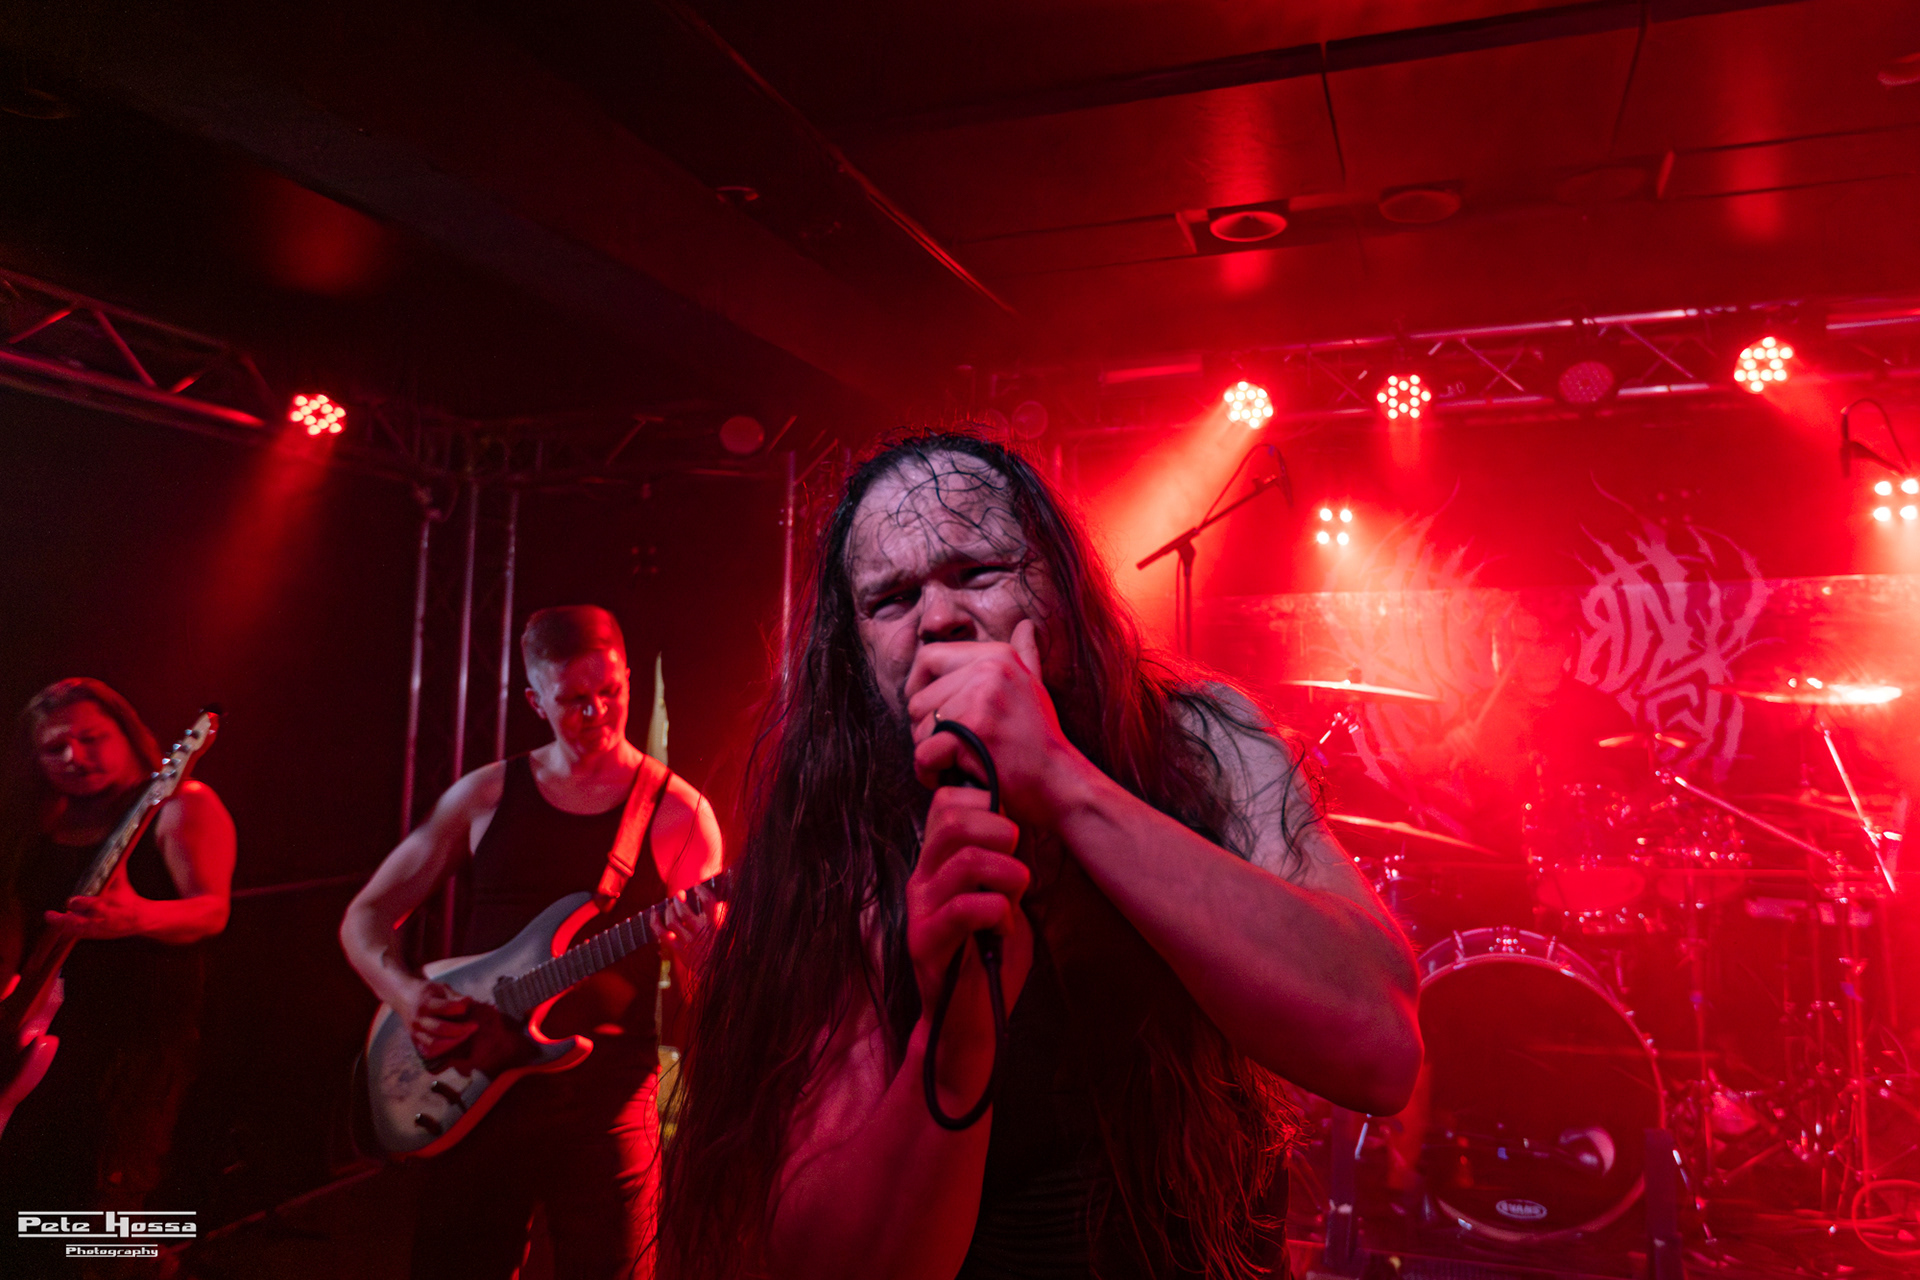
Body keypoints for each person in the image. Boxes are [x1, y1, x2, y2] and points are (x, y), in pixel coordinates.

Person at [660, 434, 1421, 1280]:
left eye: (978, 572)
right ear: (857, 645)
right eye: (892, 599)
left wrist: (1059, 779)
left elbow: (1379, 1047)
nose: (938, 618)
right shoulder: (839, 834)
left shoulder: (1205, 745)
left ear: (1059, 582)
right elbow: (827, 1261)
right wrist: (954, 1037)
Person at [340, 605, 722, 1280]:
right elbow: (365, 916)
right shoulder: (486, 795)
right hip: (474, 1092)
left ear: (629, 678)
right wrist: (405, 994)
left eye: (611, 692)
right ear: (535, 701)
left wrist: (701, 956)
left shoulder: (677, 813)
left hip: (608, 1102)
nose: (598, 712)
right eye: (574, 700)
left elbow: (715, 990)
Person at [0, 678, 235, 1278]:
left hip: (137, 1041)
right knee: (32, 1211)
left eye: (91, 738)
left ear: (128, 735)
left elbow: (212, 911)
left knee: (104, 1206)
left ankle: (144, 1264)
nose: (74, 756)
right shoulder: (42, 826)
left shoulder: (180, 803)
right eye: (54, 748)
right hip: (44, 1041)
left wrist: (137, 917)